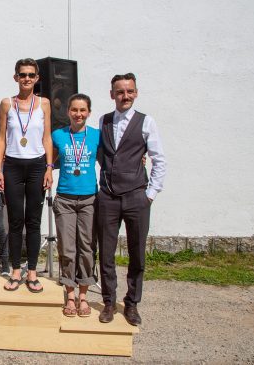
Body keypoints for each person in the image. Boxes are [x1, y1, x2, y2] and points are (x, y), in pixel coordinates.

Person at [97, 73, 166, 326]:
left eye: (129, 91)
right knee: (106, 252)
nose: (124, 96)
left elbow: (159, 159)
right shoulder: (103, 120)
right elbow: (102, 154)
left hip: (137, 196)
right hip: (108, 196)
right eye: (120, 92)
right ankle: (108, 302)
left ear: (135, 93)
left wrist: (150, 194)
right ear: (112, 94)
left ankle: (132, 303)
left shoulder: (146, 122)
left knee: (137, 252)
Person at [0, 58, 54, 293]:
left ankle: (32, 272)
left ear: (37, 78)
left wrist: (49, 167)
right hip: (12, 166)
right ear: (16, 77)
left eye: (31, 75)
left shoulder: (44, 104)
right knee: (15, 221)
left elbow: (47, 137)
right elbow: (1, 138)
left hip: (37, 165)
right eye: (22, 74)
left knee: (34, 221)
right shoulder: (6, 104)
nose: (26, 78)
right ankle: (16, 270)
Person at [51, 93, 100, 317]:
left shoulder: (97, 135)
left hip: (89, 199)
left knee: (87, 248)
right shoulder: (58, 135)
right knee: (67, 248)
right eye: (74, 110)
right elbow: (48, 161)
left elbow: (110, 160)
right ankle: (70, 295)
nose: (78, 114)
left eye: (82, 110)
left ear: (88, 112)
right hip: (65, 199)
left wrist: (140, 159)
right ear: (68, 112)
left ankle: (83, 296)